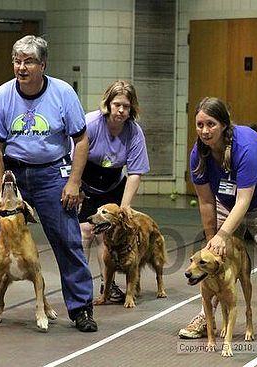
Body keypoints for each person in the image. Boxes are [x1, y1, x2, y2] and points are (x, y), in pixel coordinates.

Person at [0, 35, 97, 332]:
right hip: (14, 174)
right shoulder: (2, 96)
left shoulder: (63, 93)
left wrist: (74, 182)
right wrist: (2, 191)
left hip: (53, 173)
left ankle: (81, 308)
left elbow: (81, 140)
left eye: (28, 62)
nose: (21, 68)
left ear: (43, 65)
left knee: (67, 239)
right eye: (17, 61)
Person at [178, 97, 257, 346]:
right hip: (228, 200)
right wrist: (213, 239)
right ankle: (205, 317)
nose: (204, 131)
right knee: (213, 258)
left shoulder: (246, 147)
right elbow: (206, 201)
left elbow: (245, 200)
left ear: (223, 124)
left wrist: (223, 235)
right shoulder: (198, 155)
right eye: (199, 125)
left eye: (210, 124)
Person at [78, 80, 150, 303]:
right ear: (108, 104)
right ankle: (79, 287)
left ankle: (106, 286)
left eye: (126, 107)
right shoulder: (90, 123)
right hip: (85, 182)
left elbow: (136, 172)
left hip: (113, 183)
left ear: (132, 109)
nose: (121, 110)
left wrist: (125, 207)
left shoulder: (134, 133)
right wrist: (75, 187)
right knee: (85, 232)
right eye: (117, 104)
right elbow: (72, 157)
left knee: (106, 234)